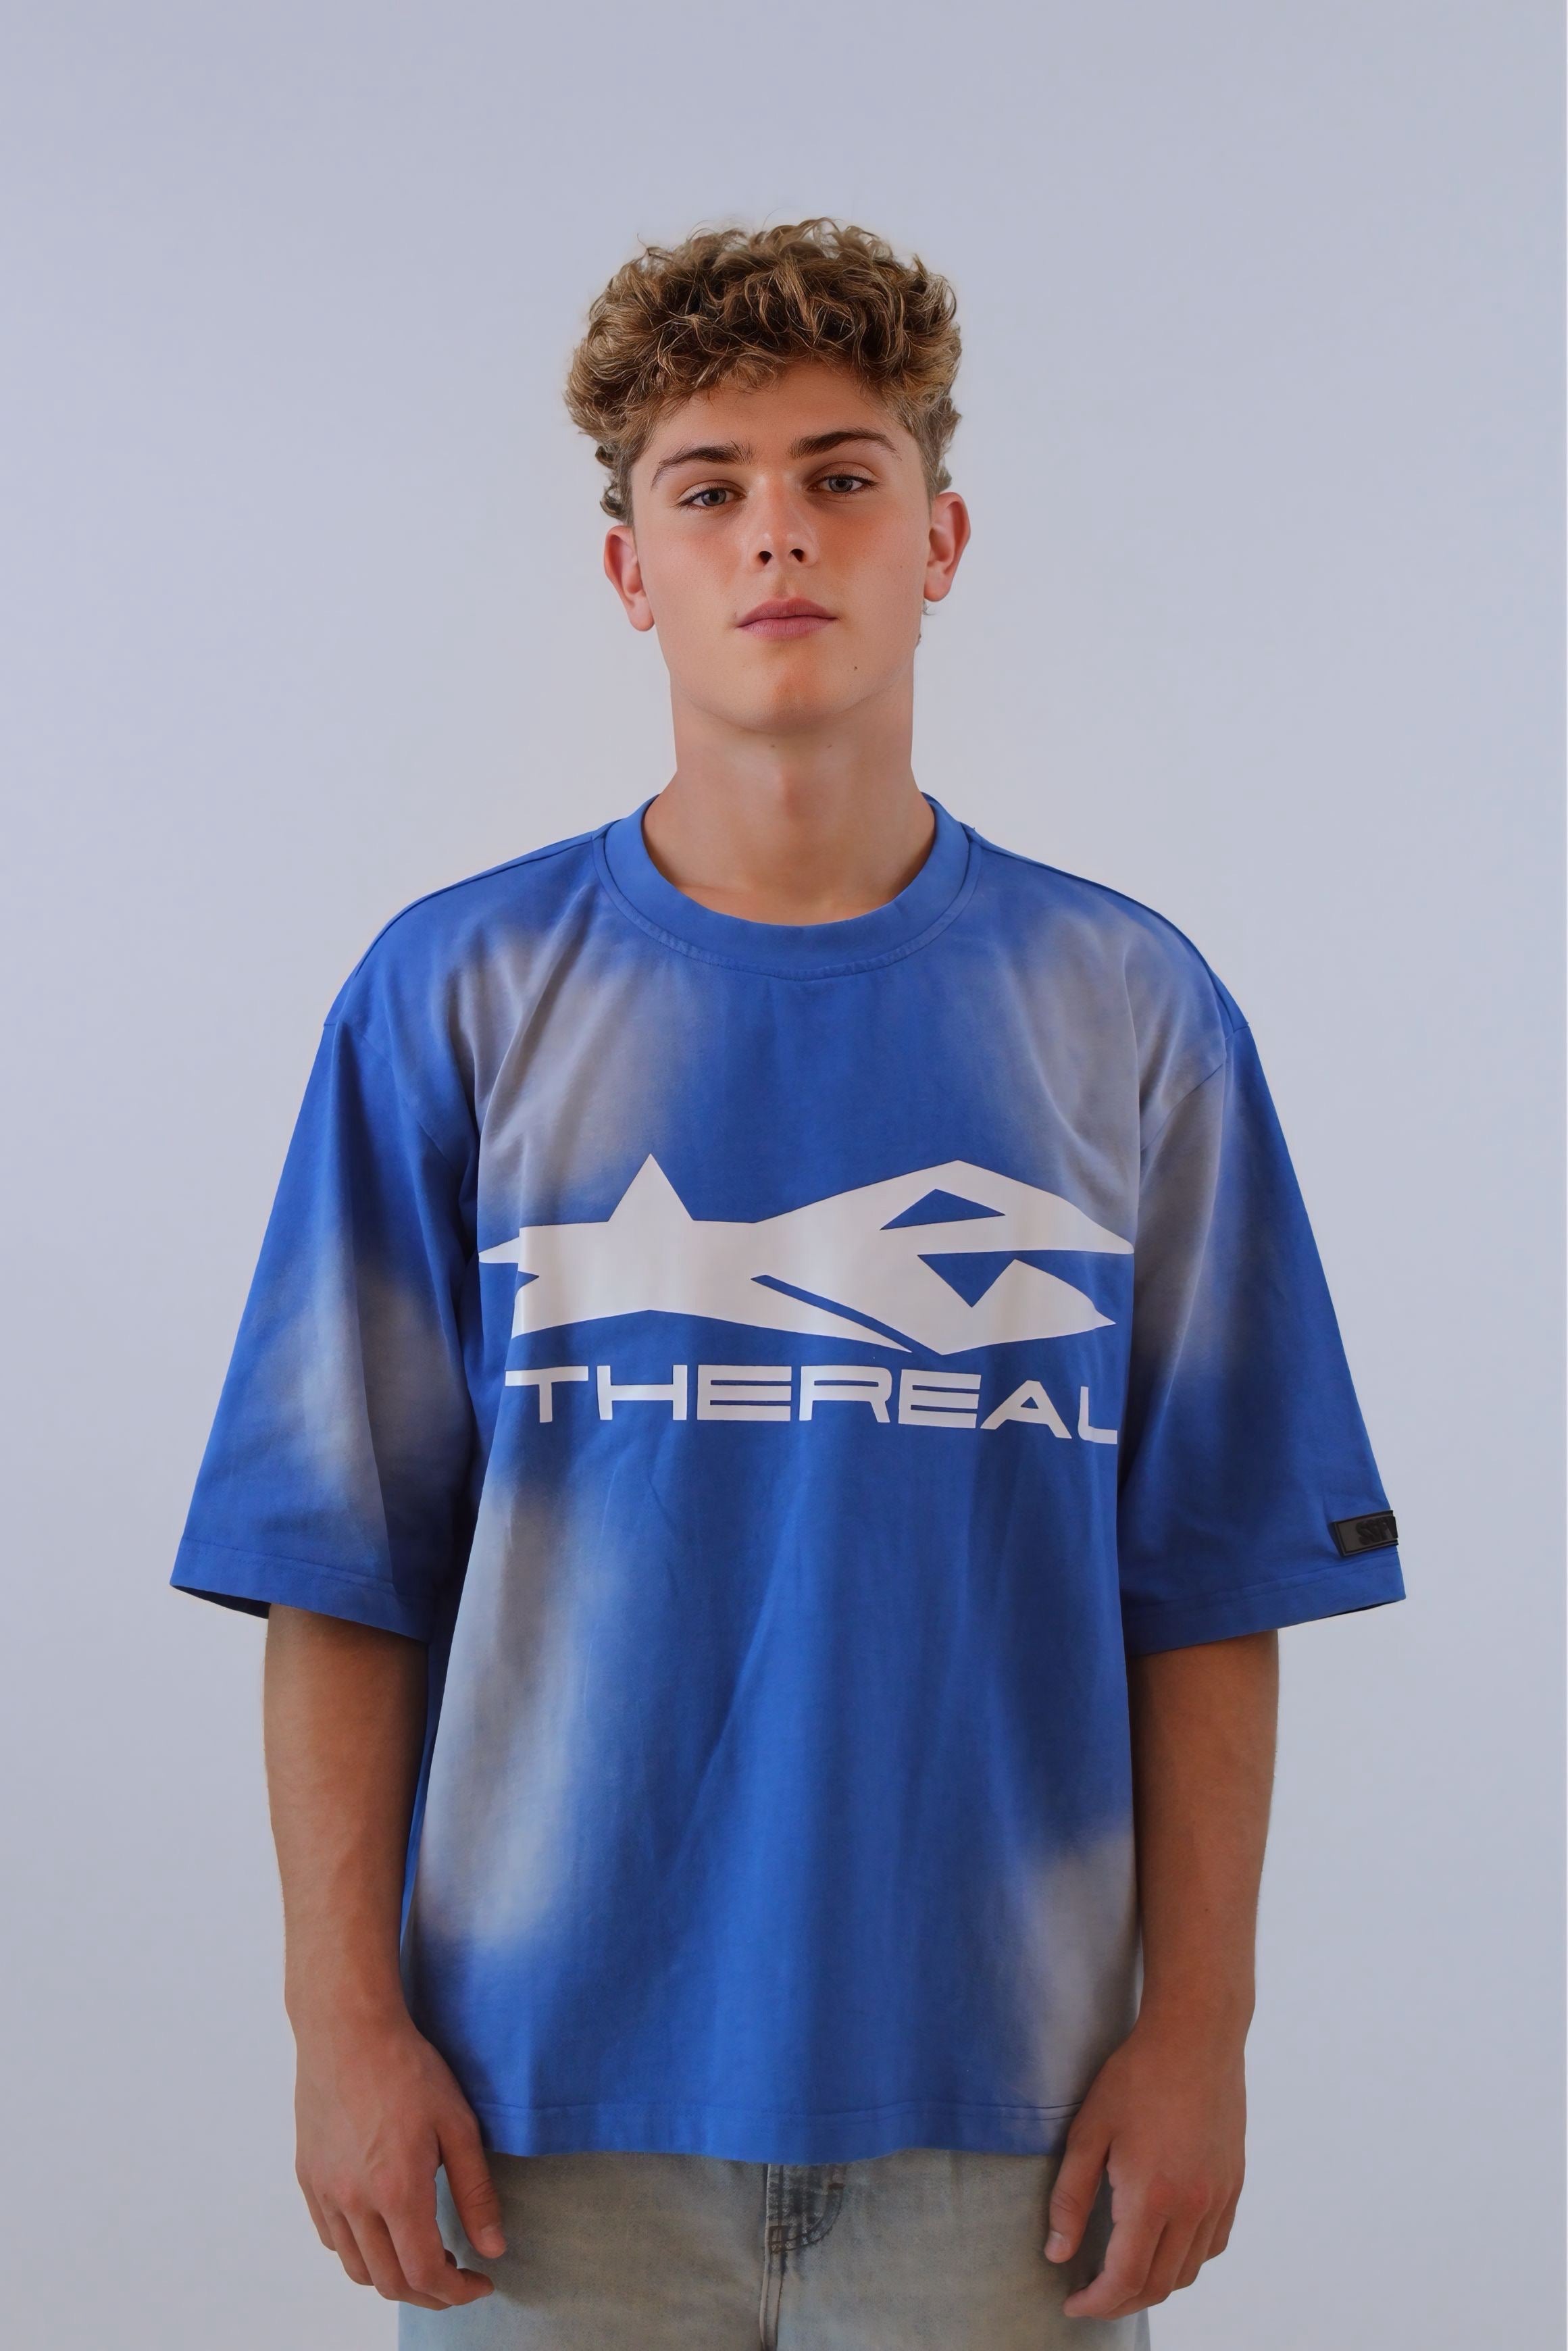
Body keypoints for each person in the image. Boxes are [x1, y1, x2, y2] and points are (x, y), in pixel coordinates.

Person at [173, 220, 1404, 2348]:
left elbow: (1211, 1577)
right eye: (708, 487)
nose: (777, 535)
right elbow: (340, 1566)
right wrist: (340, 2030)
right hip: (534, 2112)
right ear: (628, 569)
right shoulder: (456, 999)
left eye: (841, 476)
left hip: (1005, 2117)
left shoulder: (1120, 1013)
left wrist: (1197, 2034)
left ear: (938, 540)